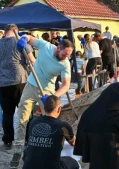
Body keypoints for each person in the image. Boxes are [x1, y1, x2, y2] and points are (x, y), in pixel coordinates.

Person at [10, 35, 73, 168]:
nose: (65, 57)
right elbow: (28, 38)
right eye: (63, 54)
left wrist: (53, 97)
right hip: (31, 86)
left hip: (47, 92)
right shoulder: (45, 46)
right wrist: (24, 40)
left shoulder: (65, 64)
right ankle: (18, 148)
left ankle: (48, 150)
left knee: (51, 123)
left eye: (67, 56)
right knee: (22, 118)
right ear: (58, 48)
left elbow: (66, 85)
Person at [0, 24, 35, 150]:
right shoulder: (21, 43)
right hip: (21, 82)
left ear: (5, 32)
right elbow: (32, 61)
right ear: (16, 31)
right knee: (24, 111)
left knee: (7, 113)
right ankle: (27, 140)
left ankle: (8, 141)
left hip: (4, 84)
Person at [22, 95, 79, 169]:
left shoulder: (33, 122)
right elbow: (74, 143)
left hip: (28, 166)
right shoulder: (63, 126)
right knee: (73, 162)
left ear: (44, 108)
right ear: (59, 109)